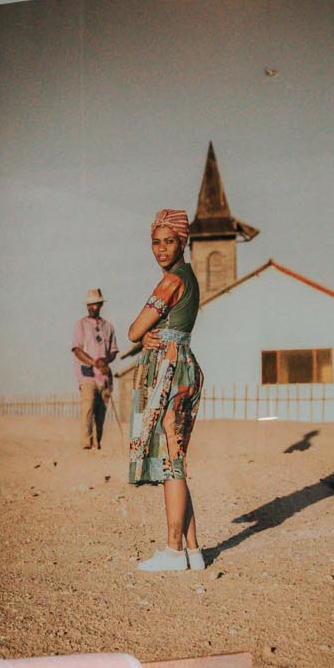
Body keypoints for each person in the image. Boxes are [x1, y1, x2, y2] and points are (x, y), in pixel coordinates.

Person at [127, 208, 206, 572]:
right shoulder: (187, 277)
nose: (161, 249)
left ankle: (174, 551)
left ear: (182, 242)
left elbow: (133, 329)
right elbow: (144, 333)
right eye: (156, 242)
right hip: (179, 364)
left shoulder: (173, 280)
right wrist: (146, 335)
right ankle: (193, 550)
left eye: (169, 241)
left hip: (171, 370)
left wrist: (142, 333)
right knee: (174, 459)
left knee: (172, 460)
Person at [71, 288, 117, 451]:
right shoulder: (80, 325)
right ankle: (86, 443)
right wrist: (93, 362)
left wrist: (105, 361)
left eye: (95, 304)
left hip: (103, 376)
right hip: (87, 374)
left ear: (100, 305)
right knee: (88, 406)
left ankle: (98, 442)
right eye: (89, 305)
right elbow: (77, 350)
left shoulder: (108, 327)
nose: (92, 307)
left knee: (101, 411)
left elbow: (113, 351)